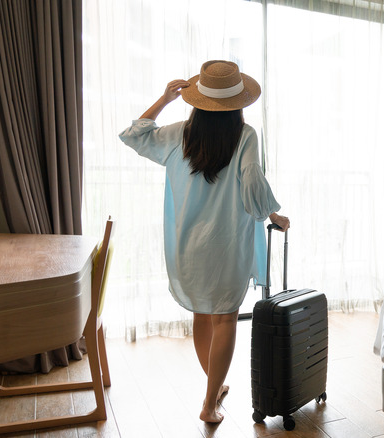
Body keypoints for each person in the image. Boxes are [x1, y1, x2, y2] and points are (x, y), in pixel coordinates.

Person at [118, 60, 289, 424]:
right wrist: (272, 214)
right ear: (237, 104)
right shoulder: (245, 136)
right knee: (225, 318)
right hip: (227, 244)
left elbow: (134, 135)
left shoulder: (180, 133)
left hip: (188, 245)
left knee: (202, 314)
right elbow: (253, 183)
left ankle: (213, 390)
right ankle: (210, 401)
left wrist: (164, 100)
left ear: (198, 101)